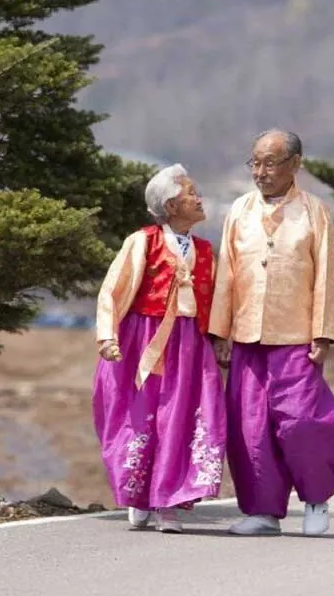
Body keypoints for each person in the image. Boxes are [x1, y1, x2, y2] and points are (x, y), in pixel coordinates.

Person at [209, 129, 334, 537]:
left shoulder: (314, 212)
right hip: (247, 337)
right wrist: (221, 332)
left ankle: (316, 499)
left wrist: (323, 333)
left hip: (296, 337)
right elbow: (227, 275)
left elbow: (329, 273)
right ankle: (262, 511)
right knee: (249, 428)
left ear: (295, 164)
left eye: (270, 162)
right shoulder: (238, 210)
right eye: (254, 162)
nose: (260, 171)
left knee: (303, 422)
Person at [92, 164, 226, 534]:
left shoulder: (204, 250)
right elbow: (114, 290)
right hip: (144, 341)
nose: (199, 199)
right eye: (190, 193)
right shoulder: (143, 242)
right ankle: (140, 494)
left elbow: (214, 301)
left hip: (189, 345)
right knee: (141, 416)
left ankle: (168, 501)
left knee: (182, 418)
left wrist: (220, 340)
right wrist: (108, 336)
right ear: (170, 206)